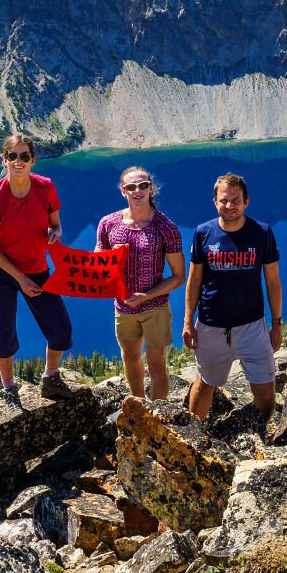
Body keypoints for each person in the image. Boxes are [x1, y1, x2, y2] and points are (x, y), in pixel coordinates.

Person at [0, 134, 74, 408]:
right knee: (3, 334)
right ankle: (9, 388)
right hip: (1, 272)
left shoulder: (45, 187)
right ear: (4, 159)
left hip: (37, 268)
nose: (18, 161)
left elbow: (56, 225)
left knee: (61, 330)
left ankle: (51, 378)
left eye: (23, 156)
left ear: (32, 160)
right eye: (12, 156)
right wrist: (20, 279)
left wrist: (54, 233)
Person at [182, 173, 283, 424]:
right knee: (205, 384)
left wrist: (277, 323)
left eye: (235, 200)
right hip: (210, 326)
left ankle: (258, 437)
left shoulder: (262, 233)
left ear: (246, 202)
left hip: (252, 326)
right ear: (215, 202)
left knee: (265, 391)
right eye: (223, 200)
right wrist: (187, 322)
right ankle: (193, 436)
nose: (229, 206)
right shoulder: (203, 233)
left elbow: (272, 282)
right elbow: (194, 281)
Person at [95, 166, 185, 400]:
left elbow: (178, 276)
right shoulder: (108, 224)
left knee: (156, 364)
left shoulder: (166, 228)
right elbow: (97, 265)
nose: (138, 191)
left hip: (155, 307)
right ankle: (138, 406)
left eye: (143, 185)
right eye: (131, 187)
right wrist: (109, 257)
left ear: (151, 188)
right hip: (123, 307)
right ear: (123, 191)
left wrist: (147, 296)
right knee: (130, 358)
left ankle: (158, 414)